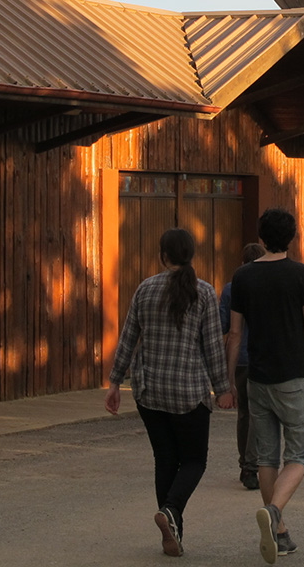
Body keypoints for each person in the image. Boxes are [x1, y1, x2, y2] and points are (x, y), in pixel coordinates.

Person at [105, 228, 234, 558]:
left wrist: (115, 382)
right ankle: (172, 512)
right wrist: (223, 388)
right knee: (194, 461)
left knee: (165, 458)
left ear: (163, 256)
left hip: (150, 391)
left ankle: (173, 528)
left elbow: (128, 338)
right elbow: (212, 348)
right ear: (192, 254)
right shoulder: (203, 293)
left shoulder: (145, 289)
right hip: (188, 392)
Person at [226, 208, 304, 564]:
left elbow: (234, 333)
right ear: (291, 237)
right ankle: (274, 512)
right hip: (292, 376)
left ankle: (280, 533)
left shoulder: (242, 277)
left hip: (257, 377)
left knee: (266, 456)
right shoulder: (301, 274)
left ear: (260, 236)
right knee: (299, 454)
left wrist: (228, 380)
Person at [221, 242, 266, 490]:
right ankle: (251, 466)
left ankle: (244, 464)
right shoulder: (265, 286)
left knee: (244, 414)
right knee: (258, 414)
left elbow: (223, 325)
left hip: (238, 358)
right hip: (259, 356)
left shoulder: (230, 288)